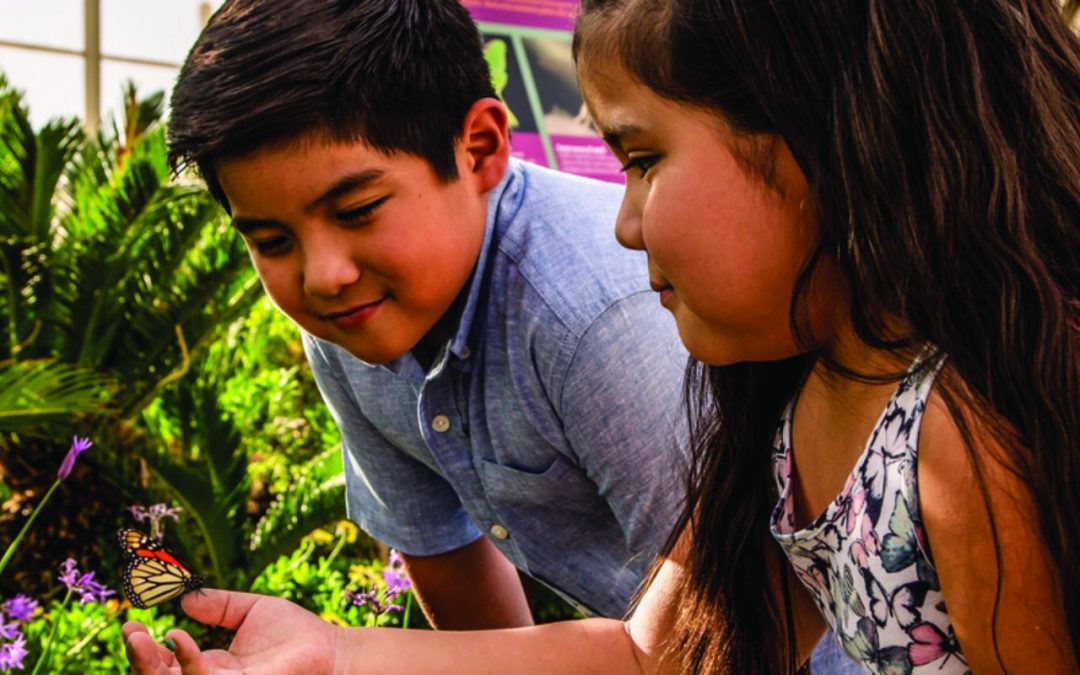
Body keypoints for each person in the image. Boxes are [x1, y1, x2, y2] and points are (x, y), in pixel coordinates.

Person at [124, 0, 1080, 672]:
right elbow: (654, 655)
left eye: (642, 158)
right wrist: (333, 653)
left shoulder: (952, 441)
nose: (624, 223)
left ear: (817, 136)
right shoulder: (792, 407)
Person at [149, 0, 691, 635]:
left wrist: (344, 656)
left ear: (479, 148)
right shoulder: (354, 322)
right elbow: (450, 569)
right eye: (271, 242)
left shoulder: (597, 326)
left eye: (358, 210)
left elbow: (734, 626)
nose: (323, 276)